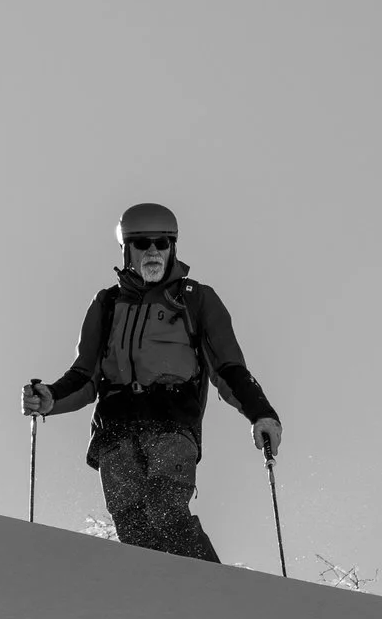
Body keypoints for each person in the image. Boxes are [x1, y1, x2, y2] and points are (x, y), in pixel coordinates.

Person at [22, 203, 282, 560]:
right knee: (135, 534)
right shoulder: (107, 304)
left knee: (165, 510)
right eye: (143, 243)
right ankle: (157, 611)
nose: (153, 251)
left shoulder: (195, 300)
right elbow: (84, 376)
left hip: (171, 426)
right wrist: (51, 397)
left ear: (173, 247)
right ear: (127, 249)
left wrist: (261, 414)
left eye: (163, 242)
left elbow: (229, 369)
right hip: (115, 435)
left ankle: (216, 594)